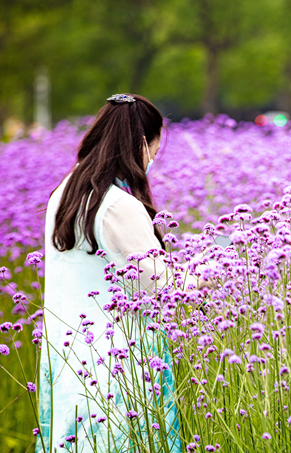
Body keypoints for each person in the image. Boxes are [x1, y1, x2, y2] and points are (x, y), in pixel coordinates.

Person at [37, 94, 188, 453]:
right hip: (119, 370)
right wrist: (212, 275)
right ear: (141, 144)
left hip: (67, 358)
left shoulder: (66, 193)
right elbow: (163, 287)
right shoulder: (118, 204)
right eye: (154, 147)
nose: (153, 158)